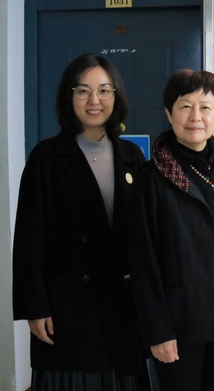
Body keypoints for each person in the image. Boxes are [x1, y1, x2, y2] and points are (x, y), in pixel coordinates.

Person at [12, 53, 147, 390]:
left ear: (116, 96)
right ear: (68, 97)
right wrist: (35, 307)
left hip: (122, 305)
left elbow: (144, 232)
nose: (94, 100)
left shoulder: (132, 156)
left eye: (104, 90)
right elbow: (29, 239)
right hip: (68, 306)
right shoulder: (46, 157)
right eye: (83, 91)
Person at [128, 69, 214, 391]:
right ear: (169, 113)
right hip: (180, 322)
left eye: (205, 107)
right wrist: (158, 331)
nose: (196, 117)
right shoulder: (153, 176)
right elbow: (143, 262)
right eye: (185, 106)